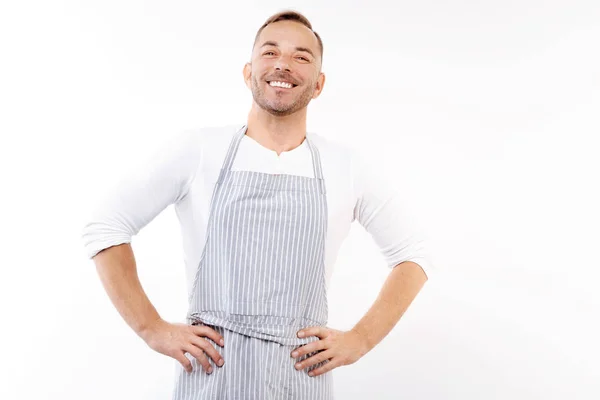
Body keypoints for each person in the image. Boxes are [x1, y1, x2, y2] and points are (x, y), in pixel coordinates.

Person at [81, 9, 434, 399]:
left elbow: (413, 253)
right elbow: (106, 227)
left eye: (301, 56)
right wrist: (151, 329)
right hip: (212, 375)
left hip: (299, 377)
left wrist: (361, 339)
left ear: (318, 84)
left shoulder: (344, 166)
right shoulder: (198, 150)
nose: (283, 63)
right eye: (270, 52)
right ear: (248, 72)